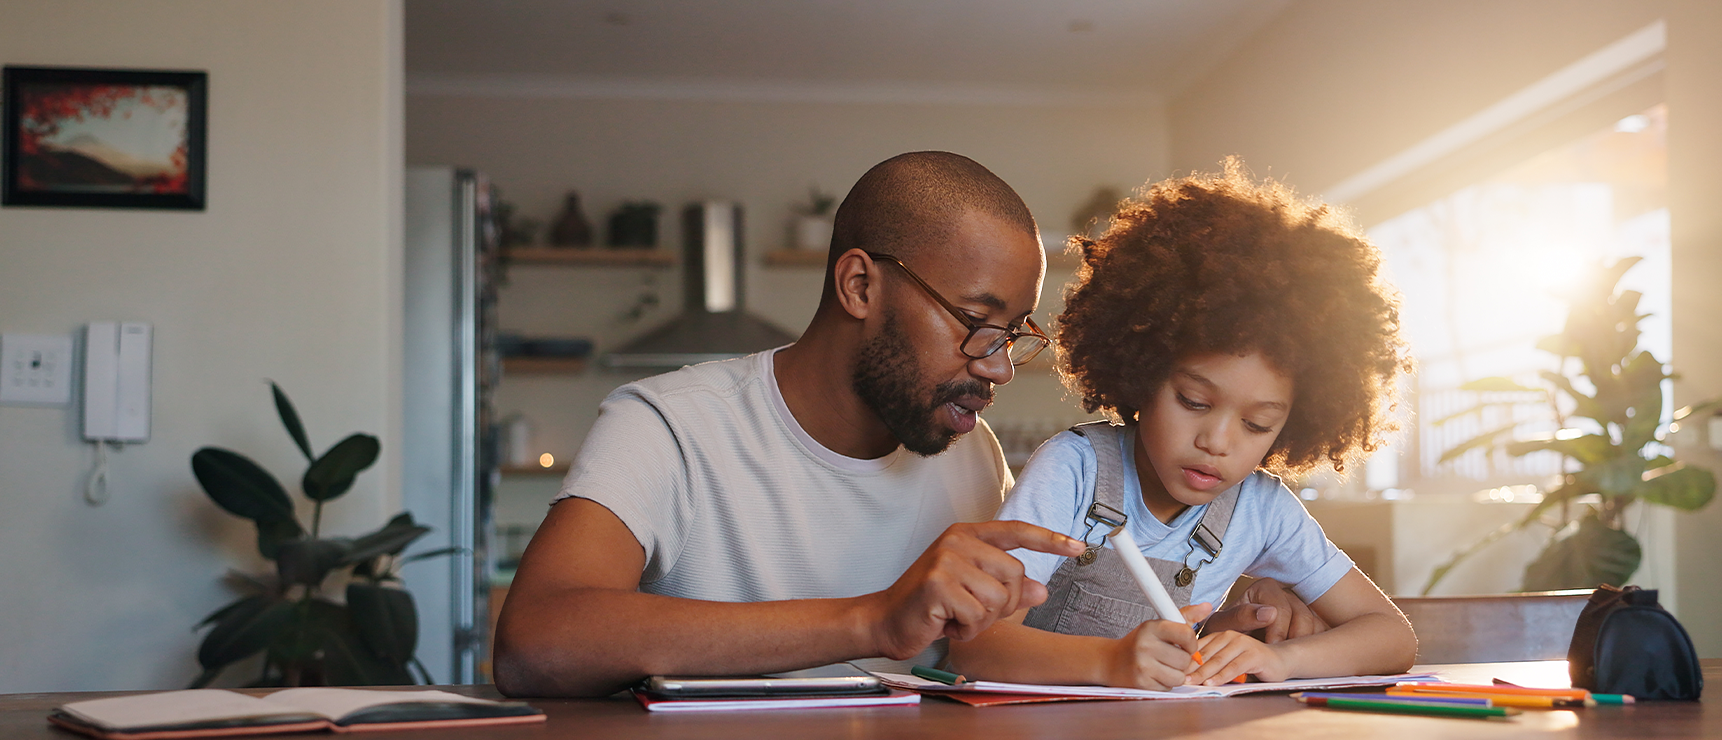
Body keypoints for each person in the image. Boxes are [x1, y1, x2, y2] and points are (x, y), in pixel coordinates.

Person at [494, 152, 1321, 698]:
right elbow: (537, 641)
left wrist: (1219, 621)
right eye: (977, 323)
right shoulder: (670, 426)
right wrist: (872, 620)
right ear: (860, 286)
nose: (999, 367)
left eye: (1014, 335)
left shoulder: (972, 454)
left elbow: (1039, 641)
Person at [949, 161, 1418, 691]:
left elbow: (1392, 637)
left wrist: (1282, 661)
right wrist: (1110, 662)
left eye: (1257, 424)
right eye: (1193, 401)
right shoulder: (1074, 471)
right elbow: (976, 645)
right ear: (1142, 372)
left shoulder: (1261, 510)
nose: (1216, 442)